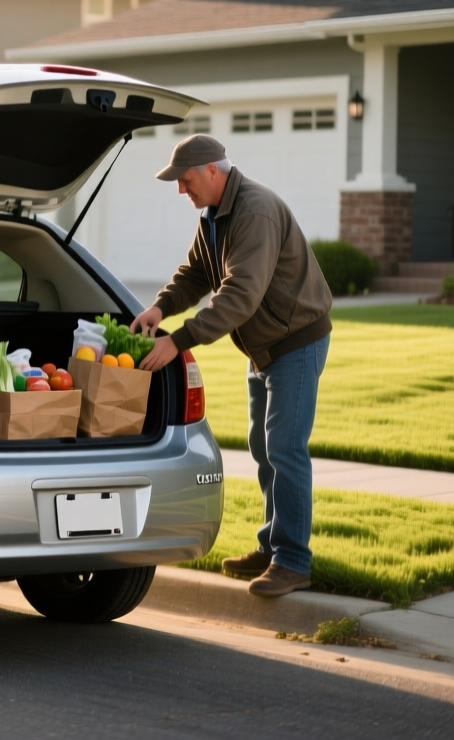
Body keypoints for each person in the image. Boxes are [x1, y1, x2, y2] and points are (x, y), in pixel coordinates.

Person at [130, 135, 332, 598]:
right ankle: (271, 547)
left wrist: (178, 342)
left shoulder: (254, 211)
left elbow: (241, 293)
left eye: (185, 181)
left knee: (285, 449)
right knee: (263, 448)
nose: (182, 190)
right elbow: (196, 274)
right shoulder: (214, 216)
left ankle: (294, 561)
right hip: (263, 349)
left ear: (212, 172)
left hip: (294, 343)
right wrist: (161, 309)